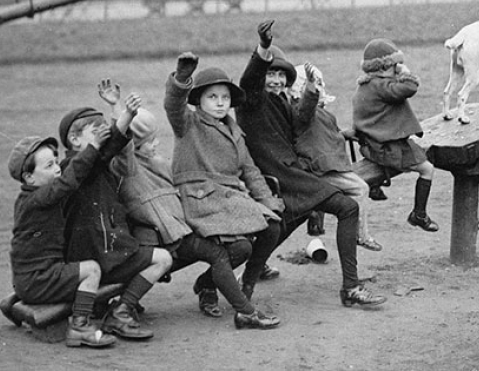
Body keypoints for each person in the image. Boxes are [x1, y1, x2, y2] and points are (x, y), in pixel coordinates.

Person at [98, 80, 279, 330]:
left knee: (240, 247)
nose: (157, 144)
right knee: (217, 253)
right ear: (136, 144)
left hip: (179, 226)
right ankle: (245, 312)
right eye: (150, 141)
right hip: (165, 233)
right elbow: (123, 142)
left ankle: (209, 288)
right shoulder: (128, 166)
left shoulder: (155, 162)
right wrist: (120, 108)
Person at [236, 21, 386, 308]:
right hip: (279, 178)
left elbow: (301, 120)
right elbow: (250, 80)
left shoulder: (279, 100)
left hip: (293, 176)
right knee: (347, 207)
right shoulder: (251, 101)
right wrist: (264, 47)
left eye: (281, 75)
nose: (277, 80)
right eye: (271, 74)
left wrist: (313, 90)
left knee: (278, 231)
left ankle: (226, 283)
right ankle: (350, 289)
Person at [163, 53, 283, 328]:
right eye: (212, 97)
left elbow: (250, 169)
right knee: (239, 247)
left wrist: (267, 199)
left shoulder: (235, 130)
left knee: (270, 228)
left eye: (224, 98)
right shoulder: (188, 123)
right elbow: (173, 104)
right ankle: (236, 303)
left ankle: (226, 285)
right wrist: (182, 78)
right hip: (200, 198)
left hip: (227, 199)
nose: (219, 103)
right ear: (199, 101)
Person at [59, 101, 172, 341]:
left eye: (104, 132)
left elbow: (117, 149)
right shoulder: (76, 166)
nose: (103, 138)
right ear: (75, 140)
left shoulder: (94, 164)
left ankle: (120, 308)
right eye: (96, 133)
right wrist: (126, 113)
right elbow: (111, 148)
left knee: (157, 252)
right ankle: (121, 312)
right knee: (163, 259)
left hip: (106, 251)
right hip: (96, 256)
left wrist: (120, 111)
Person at [8, 134, 117, 348]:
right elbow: (68, 181)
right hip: (38, 280)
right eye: (49, 166)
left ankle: (11, 302)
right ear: (29, 178)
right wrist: (93, 147)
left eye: (56, 162)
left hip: (27, 278)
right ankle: (80, 326)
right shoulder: (39, 198)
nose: (58, 169)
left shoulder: (29, 198)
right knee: (92, 270)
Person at [290, 63, 382, 251]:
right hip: (320, 167)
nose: (320, 89)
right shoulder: (301, 112)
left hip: (328, 165)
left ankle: (317, 218)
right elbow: (307, 109)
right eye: (317, 85)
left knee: (354, 189)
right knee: (361, 188)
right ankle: (361, 235)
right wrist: (310, 87)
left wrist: (345, 134)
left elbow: (329, 134)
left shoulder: (323, 114)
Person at [352, 38, 440, 231]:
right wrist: (406, 73)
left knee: (419, 153)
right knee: (427, 169)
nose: (397, 68)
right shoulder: (382, 86)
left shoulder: (365, 85)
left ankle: (376, 186)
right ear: (384, 67)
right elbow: (410, 88)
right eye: (395, 65)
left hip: (371, 146)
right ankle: (419, 214)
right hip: (388, 149)